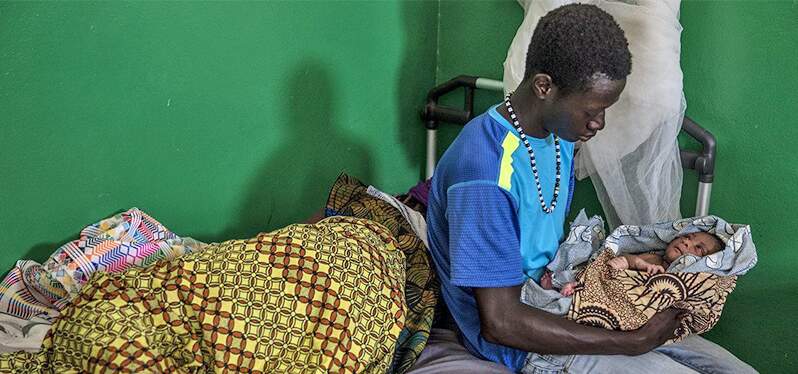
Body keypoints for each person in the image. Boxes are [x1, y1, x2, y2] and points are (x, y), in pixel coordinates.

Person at [425, 4, 756, 373]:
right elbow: (501, 322)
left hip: (568, 297)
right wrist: (633, 342)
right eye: (592, 110)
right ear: (544, 87)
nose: (599, 123)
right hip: (522, 340)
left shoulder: (558, 135)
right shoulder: (484, 174)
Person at [541, 231, 726, 296]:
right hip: (608, 281)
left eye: (698, 248)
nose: (686, 242)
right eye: (687, 237)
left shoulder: (685, 282)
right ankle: (568, 286)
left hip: (627, 298)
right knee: (591, 275)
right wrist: (638, 264)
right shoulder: (655, 259)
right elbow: (626, 258)